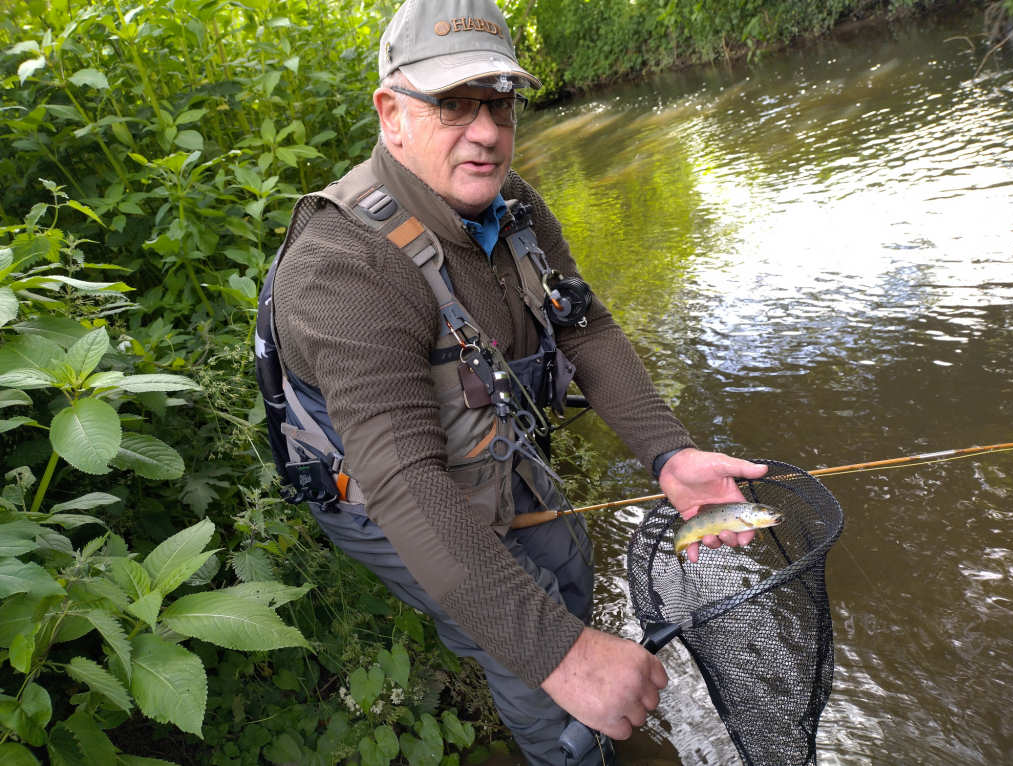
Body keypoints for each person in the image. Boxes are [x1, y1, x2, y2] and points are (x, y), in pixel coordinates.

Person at [268, 0, 768, 762]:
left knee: (566, 562)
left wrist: (670, 455)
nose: (487, 131)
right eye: (453, 104)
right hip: (377, 490)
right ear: (390, 112)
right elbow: (403, 481)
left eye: (499, 102)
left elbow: (583, 325)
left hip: (476, 433)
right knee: (527, 654)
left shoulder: (514, 204)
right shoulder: (341, 269)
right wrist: (564, 657)